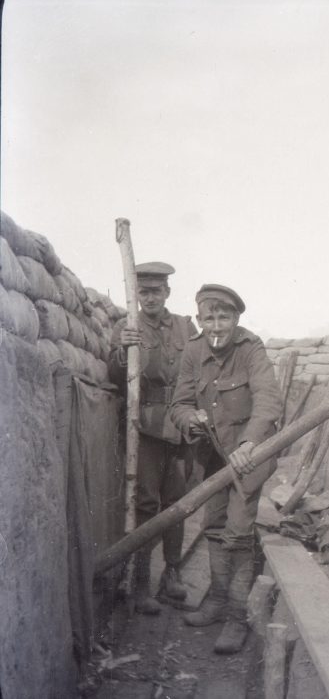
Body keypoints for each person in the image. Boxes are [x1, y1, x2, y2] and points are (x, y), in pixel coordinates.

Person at [169, 284, 281, 653]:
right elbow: (180, 403)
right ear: (200, 320)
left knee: (238, 530)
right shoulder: (193, 350)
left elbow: (268, 400)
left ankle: (237, 615)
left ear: (236, 319)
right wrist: (191, 419)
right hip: (212, 456)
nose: (217, 326)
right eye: (209, 318)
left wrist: (250, 443)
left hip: (250, 456)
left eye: (224, 317)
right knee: (213, 526)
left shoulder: (251, 348)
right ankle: (216, 601)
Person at [109, 262, 196, 615]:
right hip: (143, 426)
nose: (149, 298)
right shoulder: (125, 327)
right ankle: (142, 579)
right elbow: (114, 376)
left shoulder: (184, 327)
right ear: (137, 295)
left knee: (177, 500)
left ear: (167, 293)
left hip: (180, 425)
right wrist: (121, 352)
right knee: (145, 502)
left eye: (155, 292)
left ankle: (172, 573)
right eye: (143, 292)